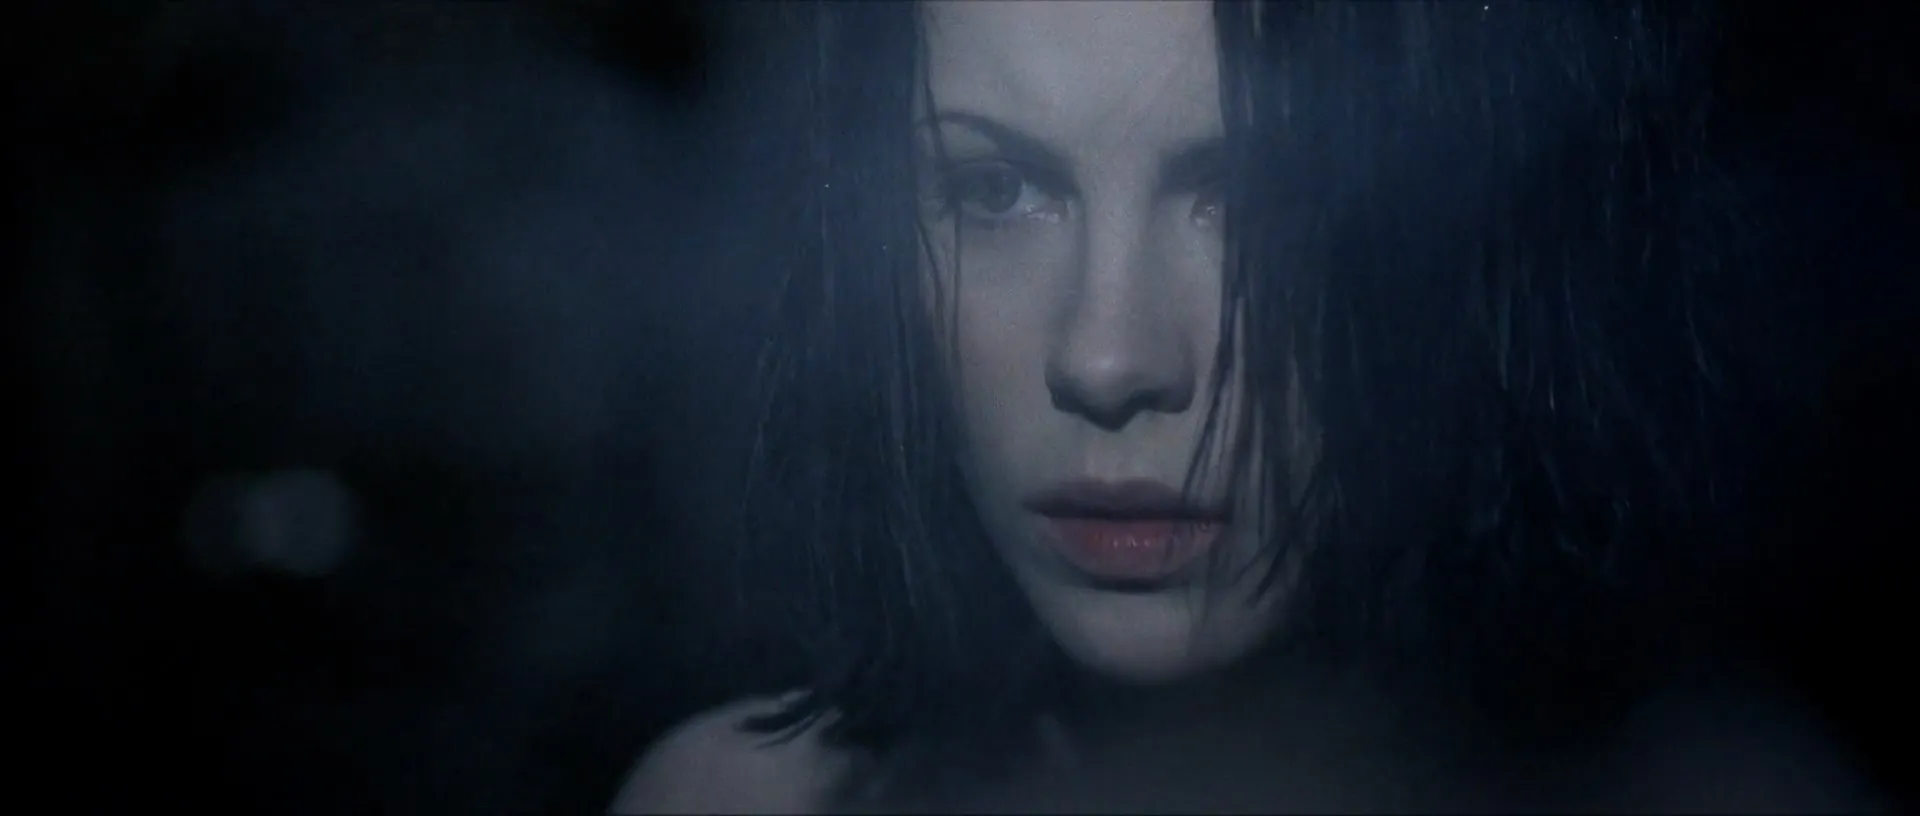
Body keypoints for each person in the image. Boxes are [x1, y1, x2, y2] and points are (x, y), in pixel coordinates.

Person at [612, 1, 1830, 811]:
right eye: (997, 190)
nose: (1107, 359)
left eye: (1255, 197)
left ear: (1464, 237)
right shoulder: (736, 804)